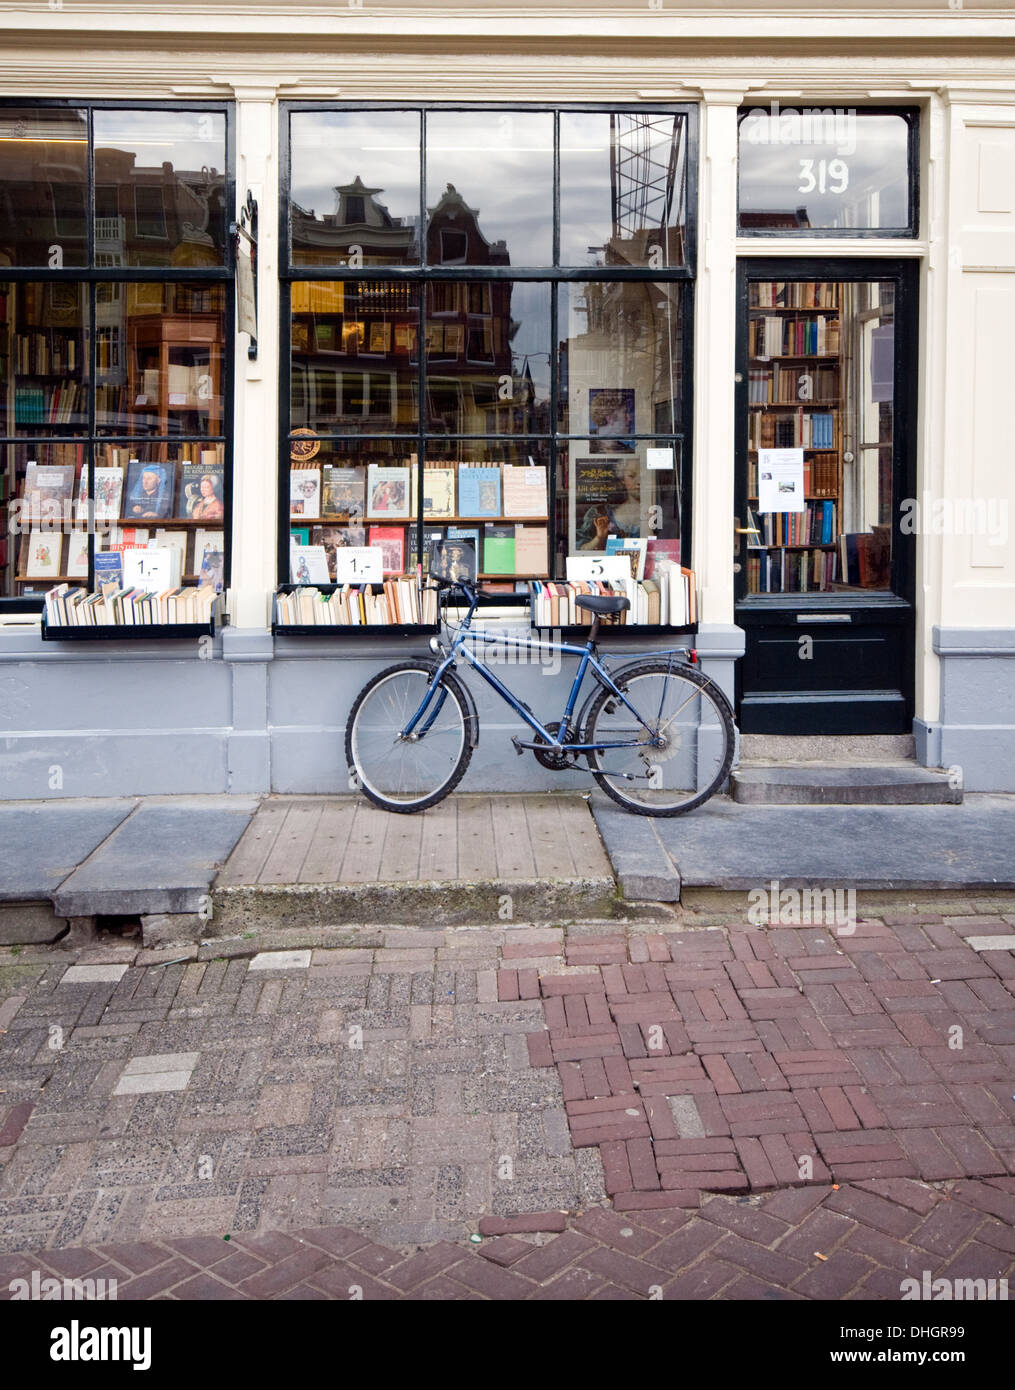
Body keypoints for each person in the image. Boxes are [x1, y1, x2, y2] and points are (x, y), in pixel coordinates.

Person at [576, 457, 641, 550]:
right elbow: (579, 552)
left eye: (643, 476)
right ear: (622, 479)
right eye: (631, 476)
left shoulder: (657, 512)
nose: (638, 482)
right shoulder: (600, 513)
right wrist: (599, 538)